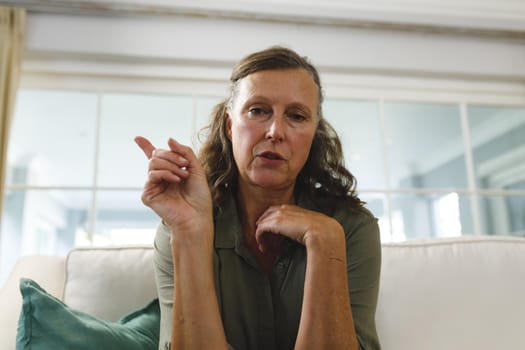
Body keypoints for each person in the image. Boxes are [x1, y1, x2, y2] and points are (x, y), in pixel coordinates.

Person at [135, 46, 381, 350]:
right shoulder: (181, 225)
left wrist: (326, 241)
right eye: (258, 110)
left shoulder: (351, 227)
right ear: (229, 125)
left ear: (314, 134)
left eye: (296, 116)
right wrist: (189, 234)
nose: (275, 131)